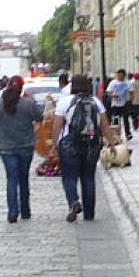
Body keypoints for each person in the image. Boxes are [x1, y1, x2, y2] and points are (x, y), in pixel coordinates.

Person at [51, 74, 117, 222]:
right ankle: (89, 214)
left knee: (69, 177)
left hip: (69, 144)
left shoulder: (64, 102)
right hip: (91, 144)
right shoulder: (96, 102)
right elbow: (105, 125)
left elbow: (57, 125)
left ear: (72, 85)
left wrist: (54, 145)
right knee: (88, 177)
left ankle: (74, 201)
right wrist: (111, 143)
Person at [0, 76, 43, 223]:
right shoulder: (28, 103)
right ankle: (25, 210)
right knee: (23, 178)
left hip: (7, 148)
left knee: (11, 179)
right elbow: (39, 117)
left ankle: (12, 211)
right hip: (25, 145)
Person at [106, 68, 132, 140]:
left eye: (122, 76)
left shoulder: (127, 83)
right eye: (119, 75)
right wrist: (112, 96)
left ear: (124, 76)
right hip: (115, 103)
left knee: (126, 119)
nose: (120, 77)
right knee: (115, 120)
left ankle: (128, 134)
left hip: (125, 103)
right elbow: (108, 92)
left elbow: (131, 92)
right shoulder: (113, 83)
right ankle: (116, 135)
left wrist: (130, 100)